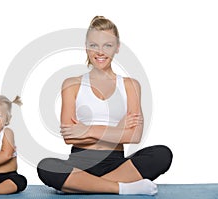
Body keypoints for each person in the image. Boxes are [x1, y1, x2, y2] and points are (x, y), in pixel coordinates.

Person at [37, 16, 173, 195]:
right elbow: (69, 137)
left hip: (116, 163)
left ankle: (79, 186)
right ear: (86, 47)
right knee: (46, 166)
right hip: (80, 164)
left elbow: (135, 135)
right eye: (94, 45)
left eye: (107, 45)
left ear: (117, 47)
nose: (100, 52)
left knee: (162, 154)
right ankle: (122, 187)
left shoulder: (130, 85)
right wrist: (118, 131)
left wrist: (87, 130)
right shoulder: (71, 84)